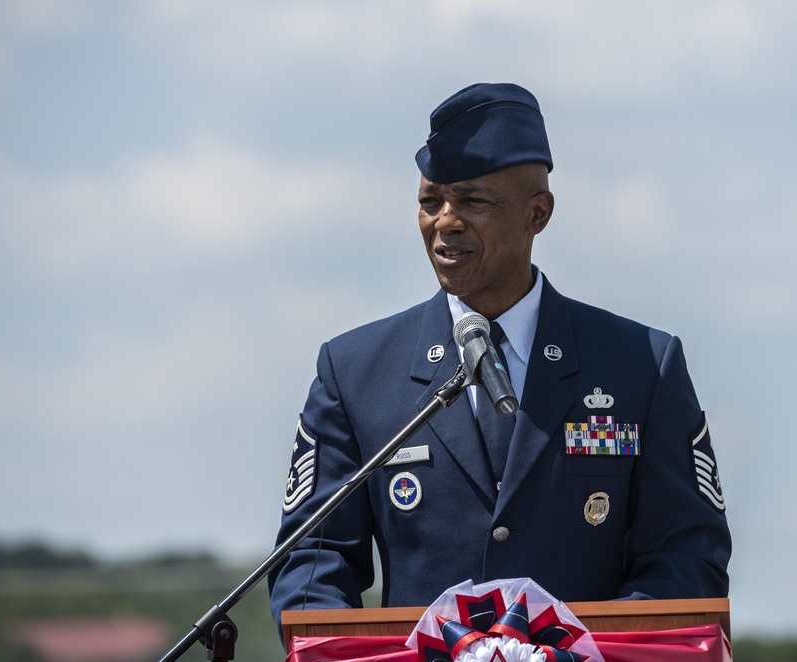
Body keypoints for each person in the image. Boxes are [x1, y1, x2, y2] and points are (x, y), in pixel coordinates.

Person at [268, 83, 731, 628]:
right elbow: (310, 567)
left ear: (538, 213)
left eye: (472, 202)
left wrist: (574, 654)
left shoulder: (642, 365)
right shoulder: (355, 371)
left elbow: (687, 560)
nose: (445, 221)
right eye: (429, 201)